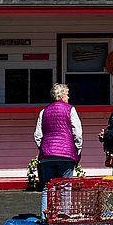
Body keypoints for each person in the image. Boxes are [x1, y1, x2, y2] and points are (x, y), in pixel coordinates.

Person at [33, 83, 83, 218]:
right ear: (61, 95)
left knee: (47, 188)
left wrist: (43, 148)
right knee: (66, 188)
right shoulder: (70, 110)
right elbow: (77, 133)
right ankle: (63, 217)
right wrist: (77, 150)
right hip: (66, 154)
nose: (68, 97)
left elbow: (38, 135)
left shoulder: (43, 112)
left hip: (47, 155)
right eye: (67, 94)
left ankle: (45, 217)